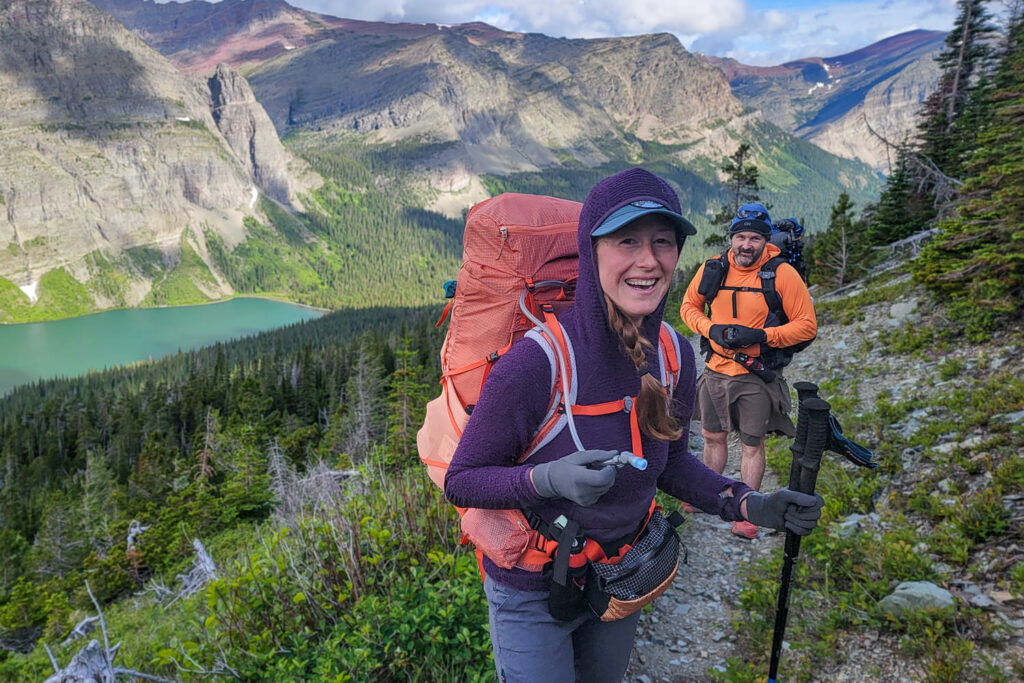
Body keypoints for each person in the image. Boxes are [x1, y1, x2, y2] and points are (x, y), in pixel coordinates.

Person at [444, 170, 823, 682]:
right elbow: (462, 480)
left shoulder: (672, 355)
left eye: (662, 242)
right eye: (627, 241)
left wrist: (747, 501)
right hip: (530, 589)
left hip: (620, 577)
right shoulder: (536, 364)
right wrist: (547, 480)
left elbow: (669, 464)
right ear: (592, 249)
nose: (648, 261)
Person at [680, 202, 818, 540]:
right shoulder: (713, 268)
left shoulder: (781, 273)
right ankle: (705, 495)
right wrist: (710, 329)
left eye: (754, 238)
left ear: (765, 240)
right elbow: (688, 307)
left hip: (755, 374)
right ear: (732, 238)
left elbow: (807, 327)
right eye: (740, 237)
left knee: (751, 444)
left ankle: (748, 513)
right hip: (714, 369)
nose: (746, 245)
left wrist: (763, 336)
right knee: (713, 436)